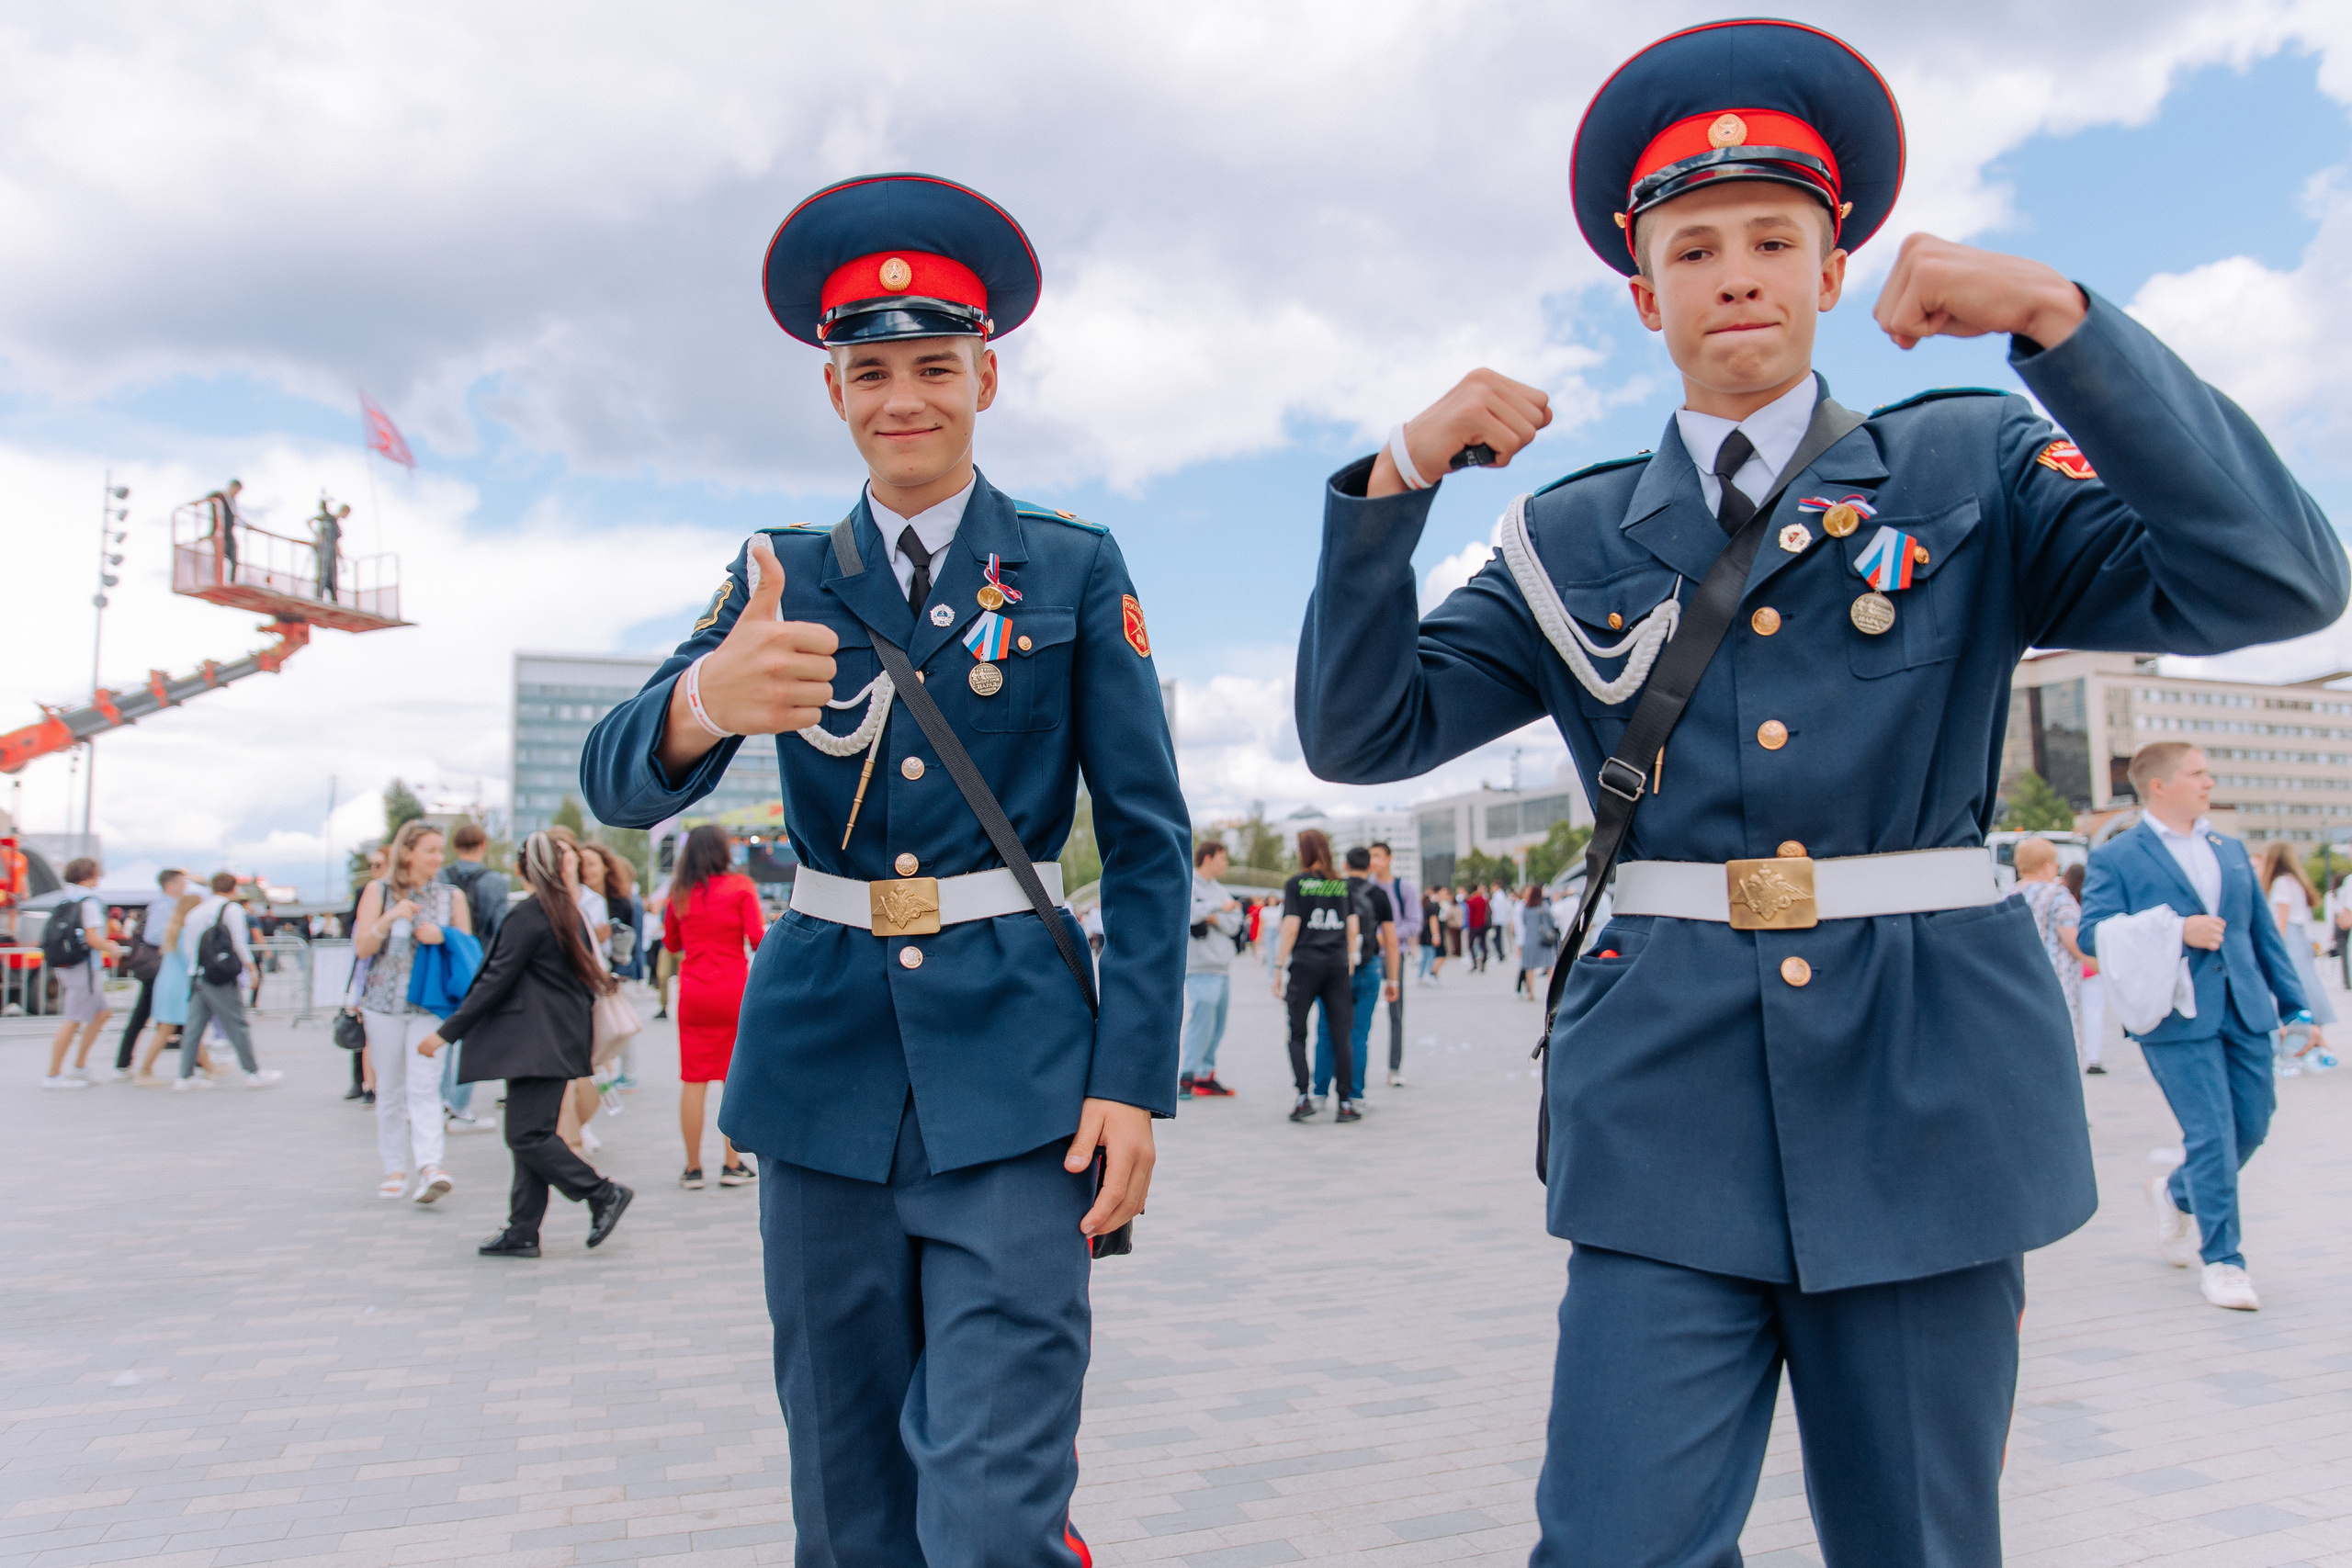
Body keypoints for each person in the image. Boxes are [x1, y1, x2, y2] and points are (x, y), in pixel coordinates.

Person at [1292, 19, 2346, 1557]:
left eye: (1775, 237)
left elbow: (2273, 577)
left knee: (1916, 1536)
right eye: (1695, 244)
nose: (1736, 271)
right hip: (1665, 1106)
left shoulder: (1968, 468)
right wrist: (1396, 479)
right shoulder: (1568, 540)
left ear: (1832, 269)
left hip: (1927, 1091)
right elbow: (1362, 732)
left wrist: (2060, 322)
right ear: (1640, 290)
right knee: (1611, 1536)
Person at [578, 171, 1185, 1568]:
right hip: (825, 1082)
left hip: (1025, 1087)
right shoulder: (778, 571)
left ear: (987, 373)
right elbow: (618, 777)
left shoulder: (1068, 568)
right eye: (870, 370)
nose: (903, 396)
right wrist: (705, 703)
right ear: (833, 393)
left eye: (933, 364)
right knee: (848, 1504)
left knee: (990, 1508)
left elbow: (1150, 840)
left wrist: (1132, 1076)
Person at [2083, 746, 2318, 1313]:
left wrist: (2298, 1010)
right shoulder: (2118, 856)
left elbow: (2261, 934)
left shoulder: (2229, 848)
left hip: (2245, 1011)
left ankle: (2177, 1190)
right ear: (2159, 786)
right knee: (2211, 1134)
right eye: (2197, 774)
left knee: (2252, 1125)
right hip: (2176, 1016)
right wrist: (2173, 929)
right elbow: (2094, 932)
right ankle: (2225, 1262)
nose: (2209, 782)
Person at [421, 832, 634, 1258]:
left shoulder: (530, 915)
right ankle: (523, 1230)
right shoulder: (562, 912)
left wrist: (446, 1033)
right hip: (555, 1039)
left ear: (521, 870)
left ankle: (602, 1193)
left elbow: (492, 982)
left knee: (526, 1136)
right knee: (531, 1134)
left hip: (537, 1043)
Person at [352, 821, 472, 1201]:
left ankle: (430, 1166)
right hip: (383, 1003)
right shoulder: (379, 890)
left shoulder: (451, 897)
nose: (439, 858)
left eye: (441, 851)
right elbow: (362, 949)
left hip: (430, 1004)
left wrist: (444, 936)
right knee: (389, 1087)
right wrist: (390, 918)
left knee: (424, 1086)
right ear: (408, 853)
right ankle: (394, 1167)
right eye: (431, 850)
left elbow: (468, 948)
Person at [662, 824, 763, 1188]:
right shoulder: (740, 888)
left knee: (693, 1079)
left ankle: (692, 1169)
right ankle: (731, 1163)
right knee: (731, 1077)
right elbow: (757, 939)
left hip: (693, 992)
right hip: (733, 990)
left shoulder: (680, 892)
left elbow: (672, 944)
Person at [1273, 828, 1360, 1123]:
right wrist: (1349, 958)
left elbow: (1292, 924)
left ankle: (1303, 1097)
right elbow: (1352, 927)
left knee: (1298, 1032)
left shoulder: (1296, 884)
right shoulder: (1341, 885)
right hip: (1336, 966)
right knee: (1341, 1035)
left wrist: (1277, 966)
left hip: (1305, 965)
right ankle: (1346, 1103)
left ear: (1305, 851)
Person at [173, 872, 282, 1091]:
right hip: (219, 975)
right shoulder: (231, 909)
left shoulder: (195, 912)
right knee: (237, 1023)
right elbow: (238, 943)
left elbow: (188, 947)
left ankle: (185, 1076)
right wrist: (252, 969)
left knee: (194, 1027)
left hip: (196, 974)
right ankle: (253, 1071)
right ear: (234, 888)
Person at [437, 823, 509, 1132]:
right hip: (477, 964)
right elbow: (501, 928)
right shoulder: (495, 881)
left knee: (443, 1034)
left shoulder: (440, 878)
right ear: (482, 844)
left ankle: (438, 1101)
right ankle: (460, 1106)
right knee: (471, 1036)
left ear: (454, 846)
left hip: (442, 964)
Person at [1314, 845, 1397, 1108]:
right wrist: (1393, 980)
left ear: (1345, 864)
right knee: (1358, 1034)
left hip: (1334, 969)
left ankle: (1319, 1094)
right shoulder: (1379, 895)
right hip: (1367, 968)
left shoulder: (1332, 889)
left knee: (1326, 1031)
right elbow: (1392, 942)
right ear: (1369, 867)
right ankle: (1355, 1095)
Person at [2259, 840, 2336, 1074]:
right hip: (2300, 938)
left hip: (2289, 939)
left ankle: (2306, 1042)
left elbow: (2281, 919)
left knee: (2291, 988)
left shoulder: (2281, 883)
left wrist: (2274, 948)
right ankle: (2314, 1040)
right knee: (2307, 987)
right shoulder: (2296, 882)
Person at [42, 857, 118, 1089]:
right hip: (84, 968)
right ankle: (54, 1074)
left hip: (68, 964)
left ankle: (80, 1065)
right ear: (91, 874)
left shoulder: (68, 897)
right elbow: (93, 938)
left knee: (101, 1013)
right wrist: (111, 947)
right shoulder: (90, 902)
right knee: (73, 1019)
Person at [2013, 838, 2085, 1068]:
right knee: (2065, 1052)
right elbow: (2074, 941)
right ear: (2046, 865)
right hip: (2057, 984)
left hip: (2020, 984)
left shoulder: (2007, 897)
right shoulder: (2057, 896)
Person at [1182, 840, 1245, 1098]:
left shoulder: (1220, 890)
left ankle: (1205, 1075)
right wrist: (1216, 909)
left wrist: (1214, 916)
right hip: (1199, 966)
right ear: (1208, 858)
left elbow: (1235, 923)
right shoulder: (1189, 883)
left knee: (1217, 1025)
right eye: (1223, 858)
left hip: (1221, 967)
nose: (1226, 863)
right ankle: (1187, 1074)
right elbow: (1185, 912)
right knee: (1201, 1021)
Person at [110, 869, 187, 1077]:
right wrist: (174, 938)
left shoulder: (164, 905)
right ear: (170, 885)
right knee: (153, 1015)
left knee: (150, 1014)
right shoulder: (164, 906)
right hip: (159, 967)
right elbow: (153, 935)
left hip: (157, 967)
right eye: (182, 883)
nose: (185, 887)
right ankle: (127, 1063)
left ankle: (124, 1062)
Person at [132, 888, 203, 1084]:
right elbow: (190, 959)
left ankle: (208, 1066)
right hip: (179, 984)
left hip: (168, 982)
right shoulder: (185, 933)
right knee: (172, 1028)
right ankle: (145, 1071)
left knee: (181, 1026)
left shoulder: (173, 929)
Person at [2064, 863, 2105, 1075]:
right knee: (2093, 1012)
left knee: (2072, 1012)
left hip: (2067, 965)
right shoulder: (2090, 902)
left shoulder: (2064, 900)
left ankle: (2075, 1054)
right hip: (2089, 964)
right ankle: (2094, 1058)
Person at [1516, 885, 1557, 999]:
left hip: (1529, 940)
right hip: (1543, 940)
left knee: (1530, 967)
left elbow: (1524, 922)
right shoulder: (1543, 906)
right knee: (1549, 966)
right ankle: (1553, 992)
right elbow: (1551, 921)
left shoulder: (1526, 907)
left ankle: (1531, 993)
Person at [202, 479, 243, 584]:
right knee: (219, 557)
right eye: (236, 491)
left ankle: (232, 582)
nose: (236, 494)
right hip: (218, 532)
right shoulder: (219, 496)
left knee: (234, 559)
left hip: (229, 533)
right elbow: (208, 498)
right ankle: (217, 581)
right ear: (232, 487)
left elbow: (235, 517)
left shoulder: (232, 502)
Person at [311, 496, 346, 603]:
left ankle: (334, 601)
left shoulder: (334, 524)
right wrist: (318, 536)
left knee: (332, 579)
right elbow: (310, 521)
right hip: (324, 552)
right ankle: (319, 598)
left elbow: (336, 542)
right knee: (322, 575)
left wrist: (341, 559)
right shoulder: (327, 518)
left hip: (331, 555)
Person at [1464, 882, 1489, 971]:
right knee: (1483, 944)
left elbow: (1470, 914)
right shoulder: (1483, 899)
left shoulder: (1471, 900)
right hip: (1483, 924)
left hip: (1474, 925)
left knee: (1471, 944)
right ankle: (1483, 962)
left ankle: (1475, 962)